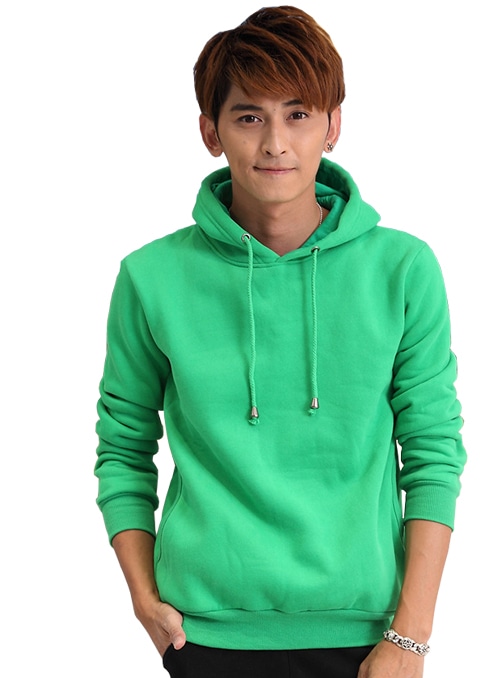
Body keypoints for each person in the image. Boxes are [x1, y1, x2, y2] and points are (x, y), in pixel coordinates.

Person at [94, 6, 467, 678]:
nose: (275, 143)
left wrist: (410, 636)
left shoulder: (403, 269)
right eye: (248, 117)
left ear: (333, 125)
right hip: (204, 636)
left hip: (370, 637)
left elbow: (433, 450)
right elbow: (123, 445)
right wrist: (144, 599)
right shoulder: (150, 278)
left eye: (298, 114)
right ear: (210, 132)